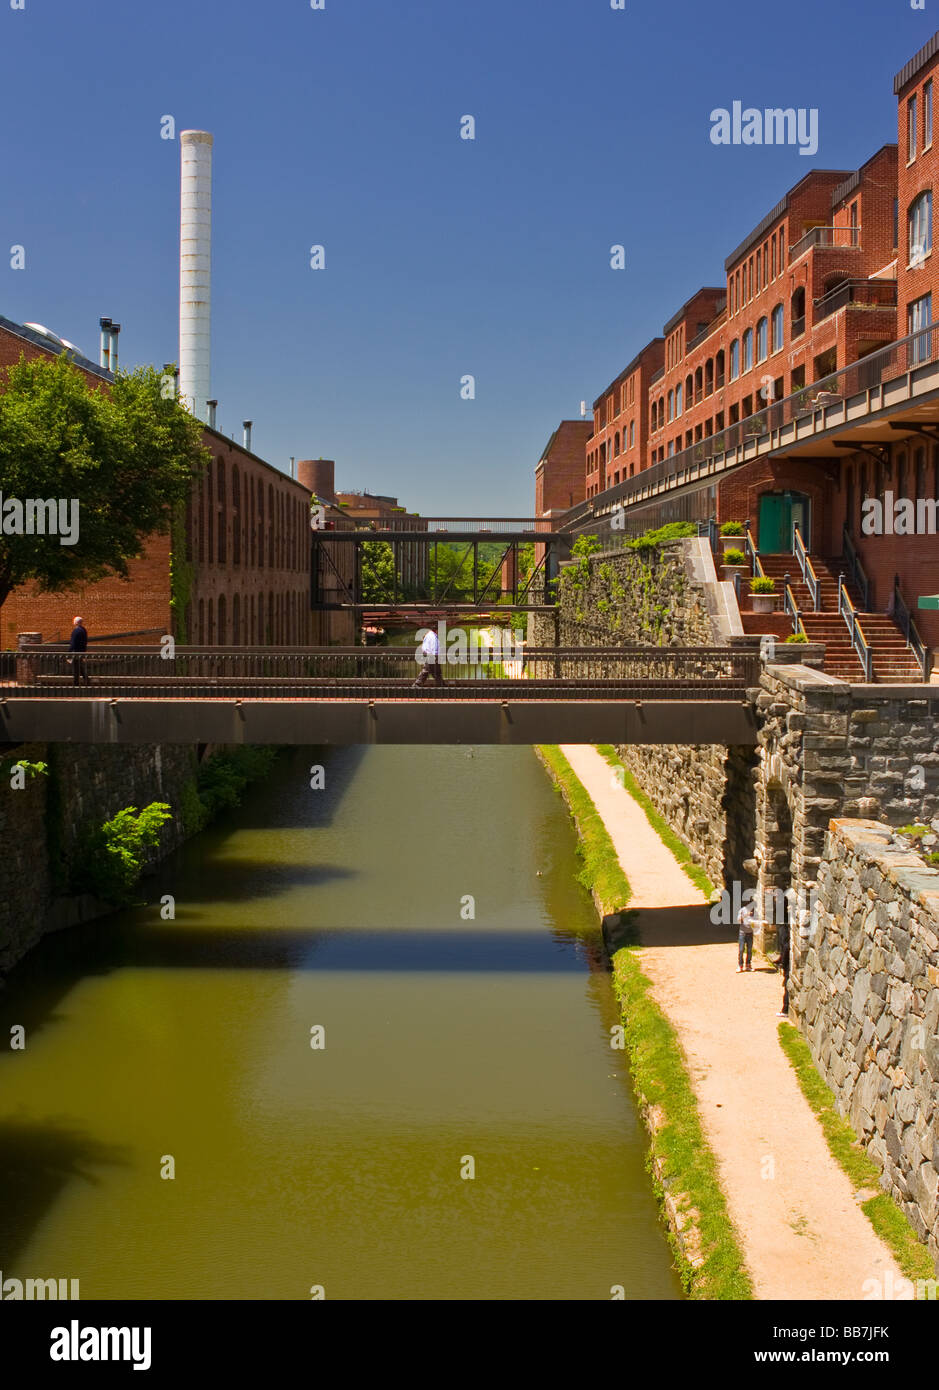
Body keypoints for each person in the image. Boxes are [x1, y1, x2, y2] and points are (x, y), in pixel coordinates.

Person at [775, 911, 791, 1018]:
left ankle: (785, 1009)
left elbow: (785, 947)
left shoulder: (783, 930)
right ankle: (785, 1009)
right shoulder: (784, 929)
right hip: (787, 960)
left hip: (788, 962)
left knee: (787, 984)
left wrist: (783, 962)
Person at [68, 615, 89, 686]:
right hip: (81, 652)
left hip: (76, 652)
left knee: (76, 669)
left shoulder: (76, 631)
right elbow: (85, 642)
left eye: (74, 621)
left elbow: (73, 643)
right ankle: (86, 681)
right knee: (80, 668)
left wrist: (69, 653)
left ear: (76, 622)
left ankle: (76, 683)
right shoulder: (83, 630)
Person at [736, 896, 756, 973]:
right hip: (742, 933)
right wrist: (745, 915)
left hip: (750, 933)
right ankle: (740, 965)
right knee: (741, 950)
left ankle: (748, 965)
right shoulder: (742, 910)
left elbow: (756, 922)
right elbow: (738, 921)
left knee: (749, 950)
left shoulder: (754, 912)